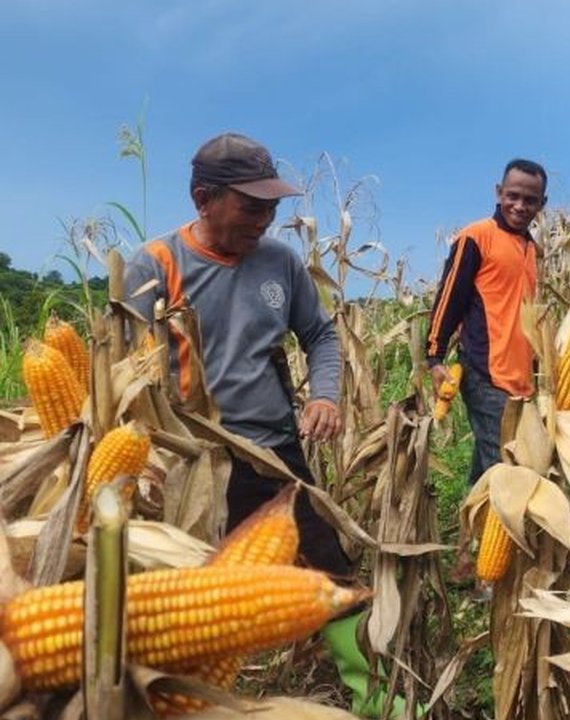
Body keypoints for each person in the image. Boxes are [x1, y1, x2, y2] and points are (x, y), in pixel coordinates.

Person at [123, 132, 400, 717]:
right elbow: (124, 373)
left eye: (272, 206)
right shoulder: (156, 265)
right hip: (188, 464)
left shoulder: (281, 261)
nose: (267, 219)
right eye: (253, 205)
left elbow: (321, 335)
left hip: (274, 453)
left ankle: (374, 700)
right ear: (204, 198)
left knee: (333, 569)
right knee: (193, 603)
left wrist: (324, 395)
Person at [424, 159, 545, 487]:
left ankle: (472, 532)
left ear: (542, 204)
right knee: (510, 472)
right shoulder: (476, 237)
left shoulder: (531, 248)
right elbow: (449, 299)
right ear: (498, 192)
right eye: (513, 196)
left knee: (490, 468)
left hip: (520, 380)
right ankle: (504, 536)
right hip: (485, 373)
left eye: (530, 200)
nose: (520, 206)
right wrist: (434, 358)